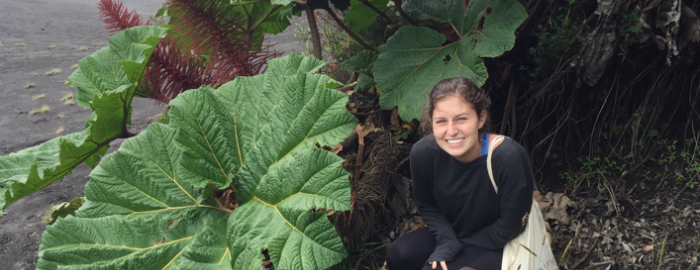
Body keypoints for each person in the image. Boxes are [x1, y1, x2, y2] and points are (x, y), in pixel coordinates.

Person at [385, 77, 535, 270]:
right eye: (441, 121)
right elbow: (426, 204)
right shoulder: (423, 153)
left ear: (481, 118)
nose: (451, 131)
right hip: (452, 232)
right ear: (431, 122)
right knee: (398, 254)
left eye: (461, 119)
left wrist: (456, 245)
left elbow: (510, 227)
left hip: (502, 241)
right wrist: (447, 241)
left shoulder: (507, 157)